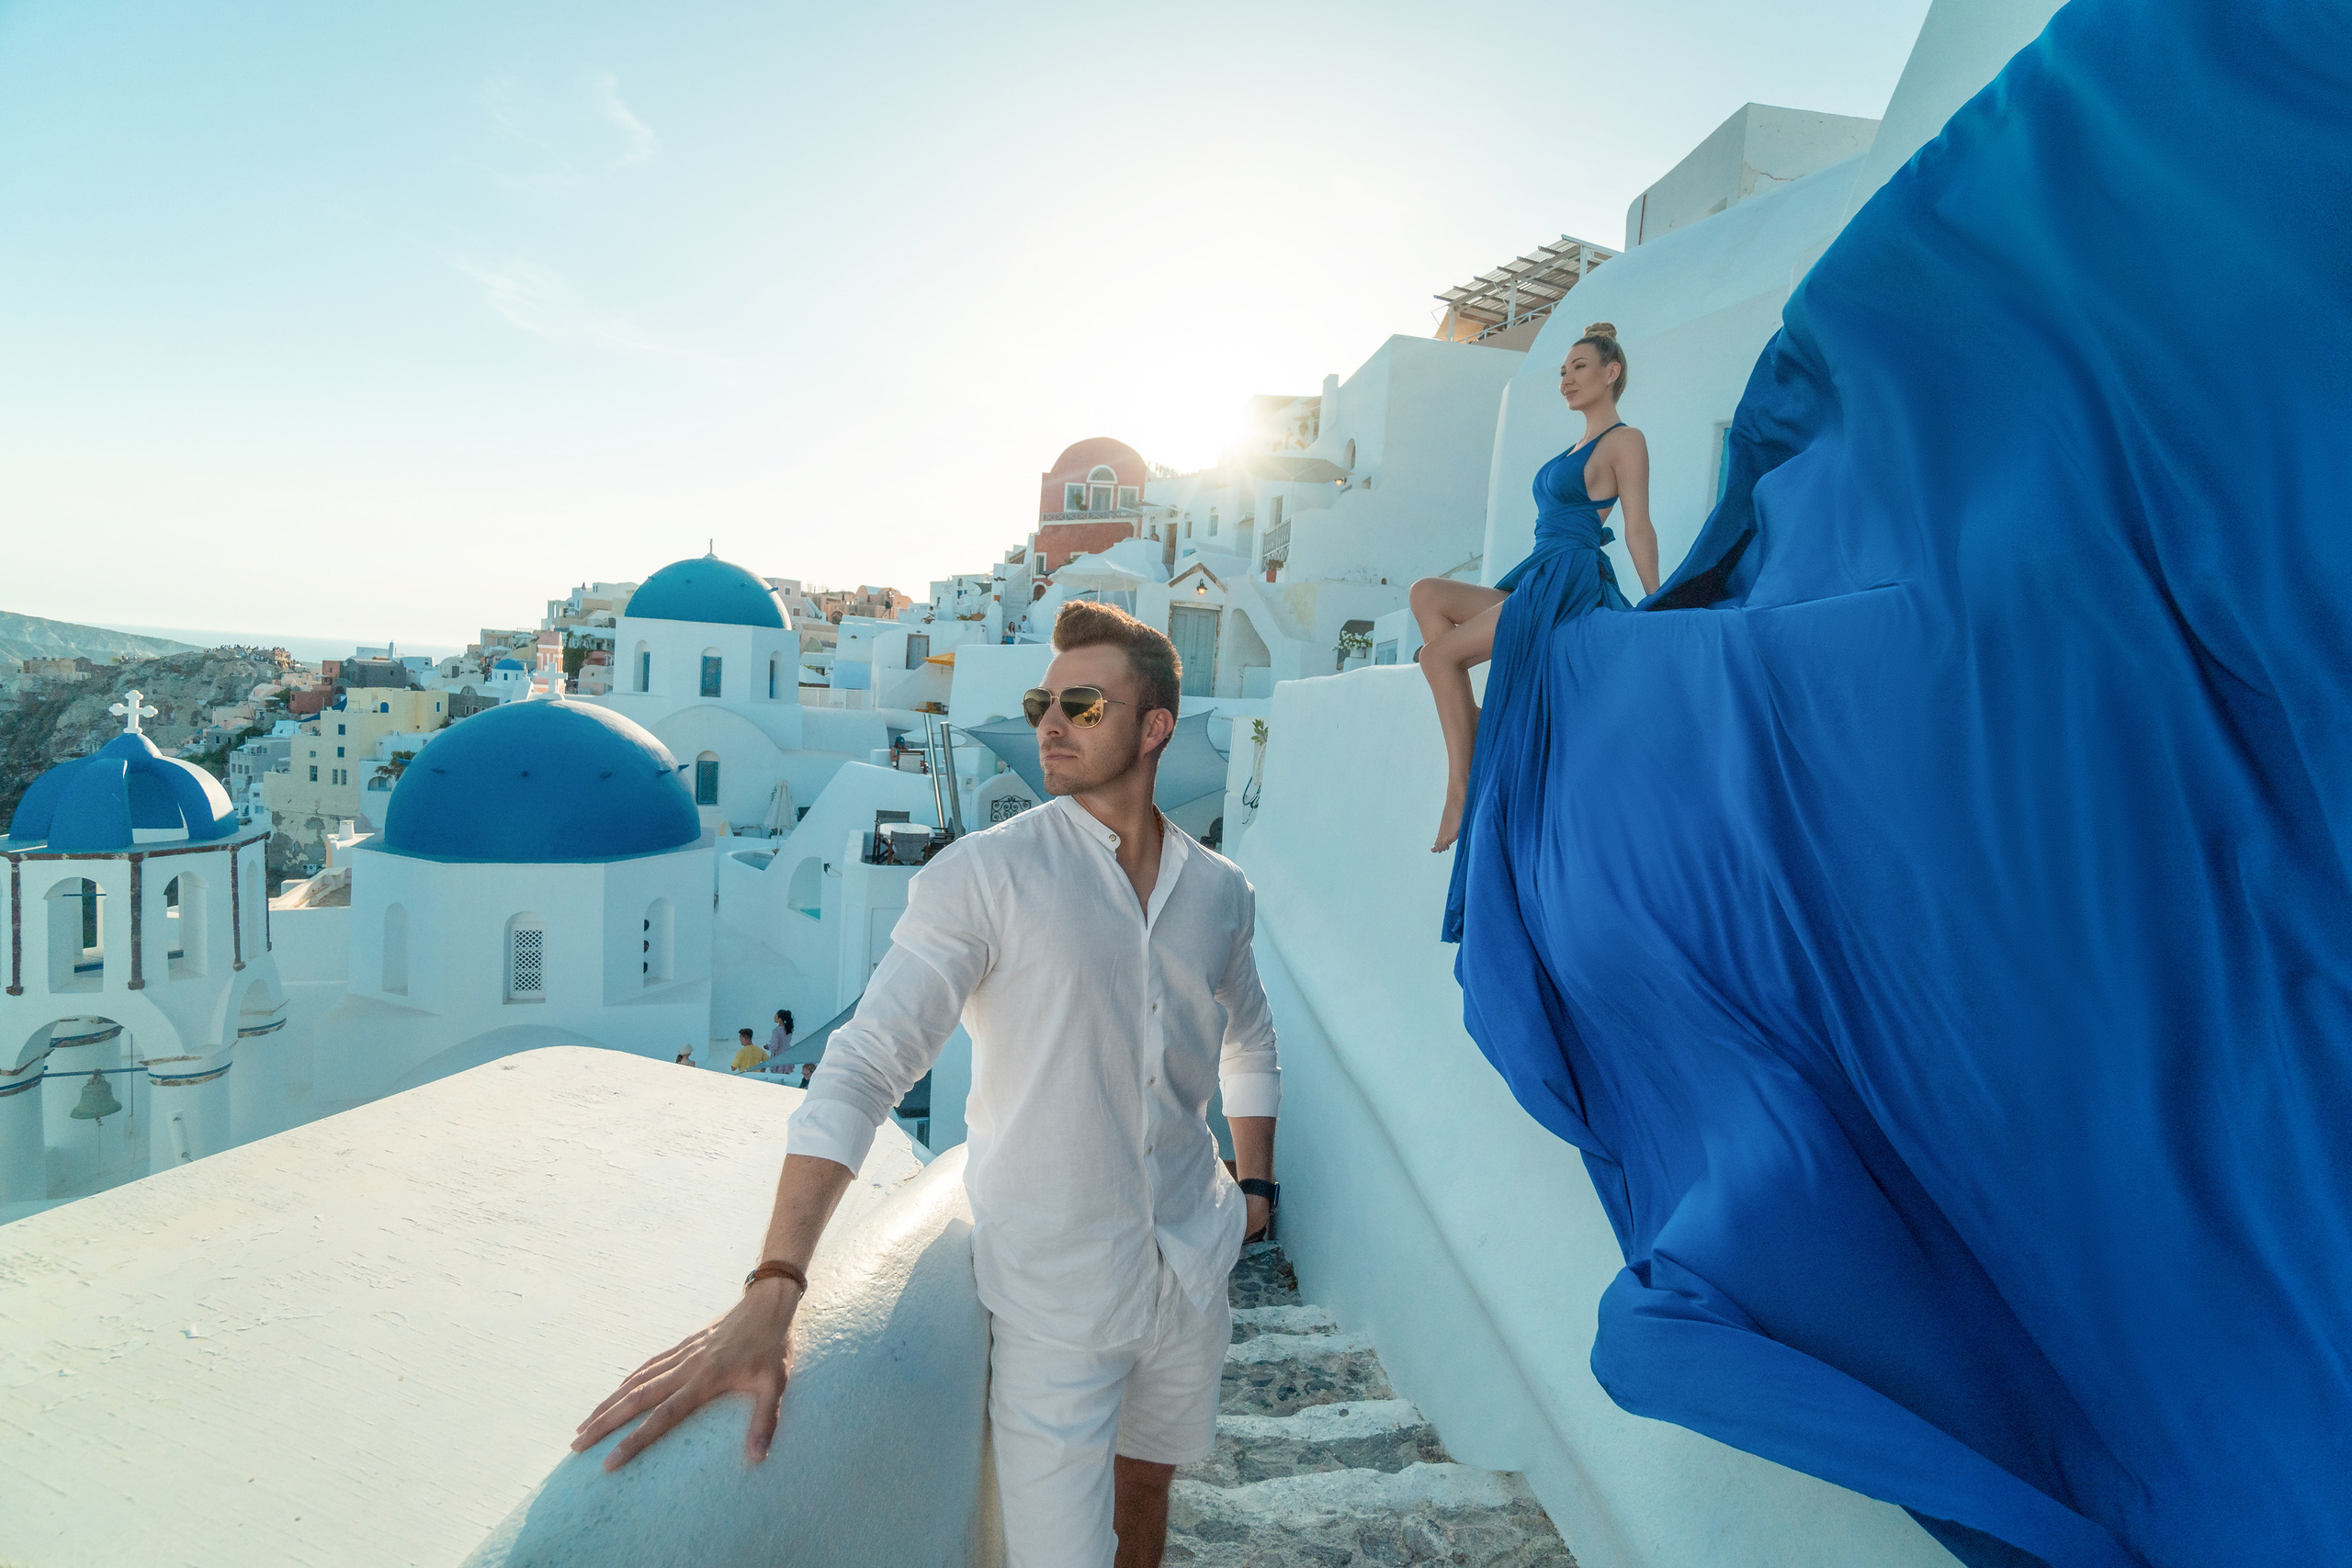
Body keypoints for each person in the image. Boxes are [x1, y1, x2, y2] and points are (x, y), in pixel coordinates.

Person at [573, 599, 1281, 1568]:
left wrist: (1254, 1188)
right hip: (1054, 1298)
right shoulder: (984, 876)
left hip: (1191, 1264)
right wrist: (775, 1282)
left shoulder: (1220, 891)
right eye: (1043, 700)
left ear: (1154, 726)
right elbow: (865, 1066)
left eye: (1082, 704)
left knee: (1150, 1484)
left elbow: (1248, 1042)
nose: (1048, 724)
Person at [1409, 322, 1658, 866]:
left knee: (1439, 655)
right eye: (1563, 370)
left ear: (1611, 373)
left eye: (1579, 368)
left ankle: (1461, 788)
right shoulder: (1572, 446)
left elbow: (1637, 526)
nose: (1565, 378)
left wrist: (1657, 599)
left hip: (1568, 579)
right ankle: (1473, 723)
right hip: (1537, 574)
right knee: (1427, 594)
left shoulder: (1625, 440)